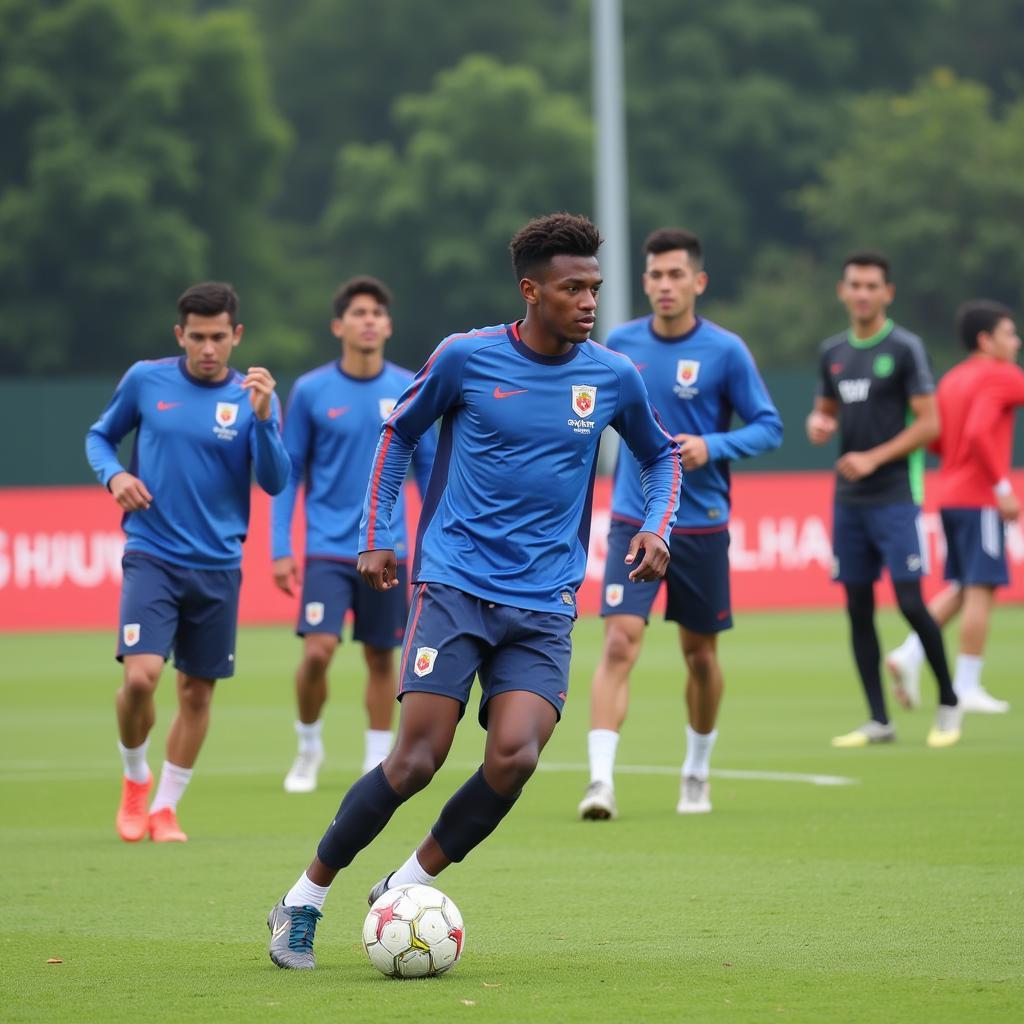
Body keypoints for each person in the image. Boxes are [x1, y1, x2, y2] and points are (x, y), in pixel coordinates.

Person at [266, 212, 682, 969]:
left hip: (546, 599)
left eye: (594, 287)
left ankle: (409, 880)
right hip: (455, 583)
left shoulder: (612, 375)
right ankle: (304, 896)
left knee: (515, 756)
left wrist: (657, 526)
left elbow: (661, 458)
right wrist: (378, 533)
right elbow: (399, 435)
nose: (589, 302)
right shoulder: (465, 358)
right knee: (416, 760)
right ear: (531, 290)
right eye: (572, 288)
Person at [577, 228, 782, 821]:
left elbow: (769, 426)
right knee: (619, 642)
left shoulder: (726, 351)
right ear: (643, 282)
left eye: (675, 275)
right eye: (655, 276)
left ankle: (696, 770)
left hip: (701, 524)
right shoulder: (620, 343)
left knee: (699, 656)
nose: (664, 286)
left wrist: (711, 445)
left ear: (698, 282)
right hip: (631, 521)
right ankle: (600, 783)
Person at [86, 282, 290, 843]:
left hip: (219, 565)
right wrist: (117, 475)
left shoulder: (254, 397)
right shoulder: (146, 380)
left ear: (236, 336)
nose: (207, 348)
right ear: (180, 335)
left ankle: (166, 807)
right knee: (141, 677)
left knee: (197, 694)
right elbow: (100, 437)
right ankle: (135, 781)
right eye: (196, 337)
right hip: (152, 554)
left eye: (218, 337)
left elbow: (274, 480)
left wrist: (267, 418)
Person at [271, 276, 436, 792]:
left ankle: (374, 758)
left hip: (391, 548)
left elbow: (429, 471)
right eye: (358, 313)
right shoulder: (313, 390)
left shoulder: (411, 386)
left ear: (388, 325)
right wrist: (281, 546)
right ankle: (308, 744)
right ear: (339, 325)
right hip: (327, 548)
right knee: (318, 651)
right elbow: (289, 472)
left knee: (381, 655)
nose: (368, 321)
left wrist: (434, 542)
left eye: (377, 313)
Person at [806, 251, 961, 749]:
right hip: (849, 499)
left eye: (873, 285)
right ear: (842, 291)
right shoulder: (833, 351)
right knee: (857, 607)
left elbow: (930, 424)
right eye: (855, 284)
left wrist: (873, 457)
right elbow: (825, 411)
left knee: (912, 602)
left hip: (896, 495)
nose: (863, 293)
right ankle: (879, 719)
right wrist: (819, 424)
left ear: (887, 293)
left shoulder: (906, 347)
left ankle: (950, 701)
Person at [886, 300, 1023, 714]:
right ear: (986, 340)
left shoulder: (951, 380)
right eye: (1009, 334)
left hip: (948, 493)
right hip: (980, 497)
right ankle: (966, 685)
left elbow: (934, 439)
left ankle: (910, 653)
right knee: (982, 589)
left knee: (964, 584)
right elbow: (981, 431)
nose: (1016, 342)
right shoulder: (1003, 375)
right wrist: (1001, 485)